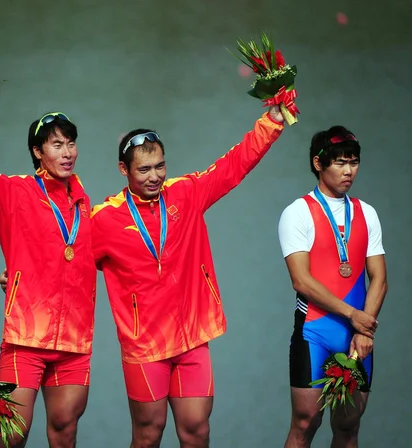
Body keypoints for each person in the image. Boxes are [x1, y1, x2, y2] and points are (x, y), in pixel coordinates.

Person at [89, 105, 287, 447]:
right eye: (144, 169)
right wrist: (21, 273)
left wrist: (272, 121)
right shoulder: (104, 219)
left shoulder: (187, 192)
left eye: (160, 166)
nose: (154, 176)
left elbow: (234, 165)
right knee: (148, 434)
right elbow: (65, 257)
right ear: (123, 169)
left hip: (192, 336)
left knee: (196, 430)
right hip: (145, 344)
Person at [0, 93, 96, 448]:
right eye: (57, 145)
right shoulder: (14, 192)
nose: (67, 152)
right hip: (25, 340)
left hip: (74, 342)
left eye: (71, 144)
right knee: (14, 435)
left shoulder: (83, 203)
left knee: (65, 432)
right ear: (37, 152)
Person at [278, 127, 386, 447]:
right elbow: (302, 281)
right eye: (339, 162)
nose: (348, 170)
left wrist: (364, 331)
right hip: (315, 333)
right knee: (305, 423)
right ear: (317, 163)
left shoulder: (367, 213)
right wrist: (355, 315)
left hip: (357, 338)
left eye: (353, 162)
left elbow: (379, 278)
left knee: (348, 428)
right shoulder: (297, 213)